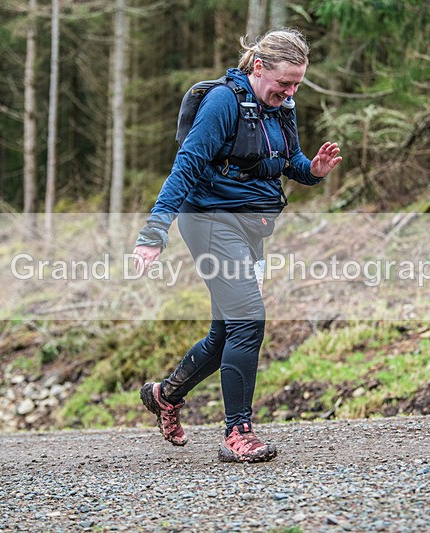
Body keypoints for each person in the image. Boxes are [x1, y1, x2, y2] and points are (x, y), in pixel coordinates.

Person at [134, 28, 342, 463]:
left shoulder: (282, 107)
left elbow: (289, 163)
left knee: (227, 330)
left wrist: (315, 169)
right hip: (208, 221)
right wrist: (154, 233)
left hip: (250, 226)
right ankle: (238, 432)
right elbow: (186, 166)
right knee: (249, 320)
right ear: (259, 67)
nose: (289, 92)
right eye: (283, 83)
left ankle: (165, 395)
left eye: (297, 84)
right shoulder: (223, 103)